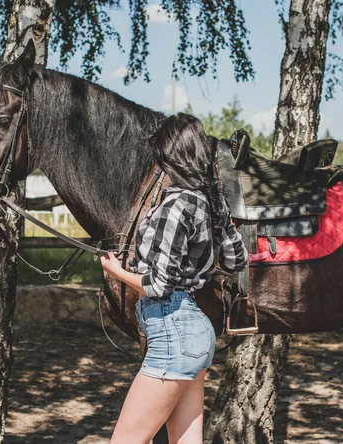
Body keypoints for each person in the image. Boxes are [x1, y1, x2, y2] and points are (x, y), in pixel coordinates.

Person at [101, 113, 248, 444]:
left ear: (170, 154)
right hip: (198, 334)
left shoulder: (175, 204)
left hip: (173, 334)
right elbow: (239, 260)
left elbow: (159, 286)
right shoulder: (213, 202)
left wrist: (117, 272)